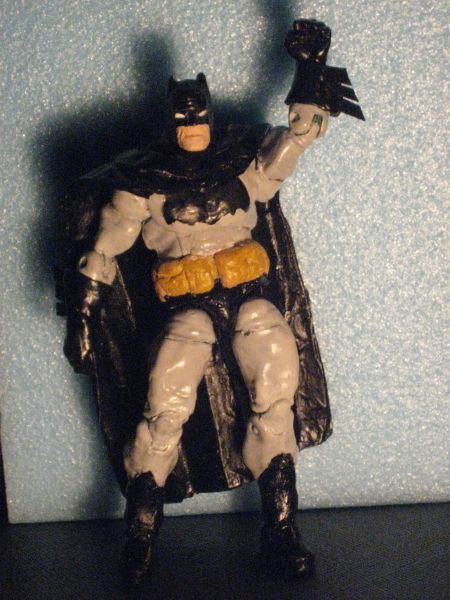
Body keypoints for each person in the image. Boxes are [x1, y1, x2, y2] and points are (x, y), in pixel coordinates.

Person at [62, 19, 363, 585]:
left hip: (249, 297)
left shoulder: (241, 160)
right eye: (185, 121)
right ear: (171, 122)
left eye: (200, 118)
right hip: (188, 308)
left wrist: (310, 70)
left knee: (276, 397)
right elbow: (102, 250)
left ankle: (280, 529)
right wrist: (81, 318)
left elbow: (299, 136)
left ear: (210, 115)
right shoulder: (143, 181)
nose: (194, 129)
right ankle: (141, 533)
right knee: (164, 409)